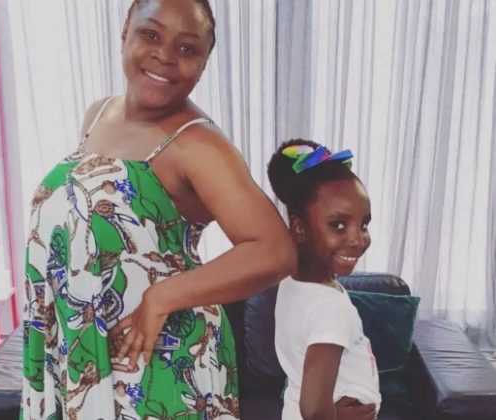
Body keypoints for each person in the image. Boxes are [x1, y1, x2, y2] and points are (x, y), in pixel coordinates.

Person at [21, 0, 296, 419]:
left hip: (158, 363)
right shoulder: (99, 113)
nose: (165, 55)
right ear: (125, 33)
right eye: (150, 34)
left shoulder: (198, 145)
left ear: (203, 64)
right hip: (86, 351)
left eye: (187, 48)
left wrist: (161, 297)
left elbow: (274, 251)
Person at [267, 139, 381, 420]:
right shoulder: (331, 308)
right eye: (338, 225)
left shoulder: (292, 283)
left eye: (364, 224)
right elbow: (314, 409)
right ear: (299, 228)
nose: (358, 239)